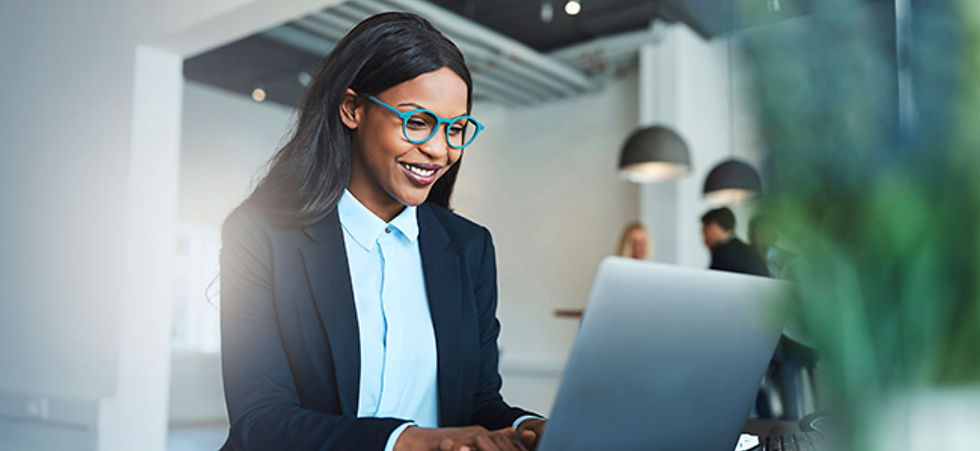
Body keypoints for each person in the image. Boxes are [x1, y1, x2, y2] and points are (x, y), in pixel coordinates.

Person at [219, 13, 545, 451]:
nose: (439, 150)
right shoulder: (262, 236)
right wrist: (405, 441)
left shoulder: (470, 248)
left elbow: (477, 402)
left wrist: (530, 427)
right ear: (352, 109)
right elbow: (259, 419)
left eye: (455, 129)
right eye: (417, 122)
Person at [700, 207, 768, 277]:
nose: (704, 241)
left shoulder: (722, 253)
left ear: (713, 226)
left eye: (704, 233)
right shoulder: (750, 252)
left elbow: (710, 279)